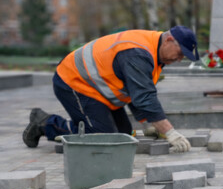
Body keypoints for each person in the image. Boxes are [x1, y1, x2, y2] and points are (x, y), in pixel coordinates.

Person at [22, 26, 200, 153]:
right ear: (169, 40)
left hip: (98, 90)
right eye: (180, 53)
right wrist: (169, 132)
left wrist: (150, 123)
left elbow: (136, 91)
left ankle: (81, 126)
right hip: (74, 81)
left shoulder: (154, 52)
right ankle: (45, 123)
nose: (179, 59)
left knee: (122, 136)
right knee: (101, 137)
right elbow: (144, 97)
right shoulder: (138, 53)